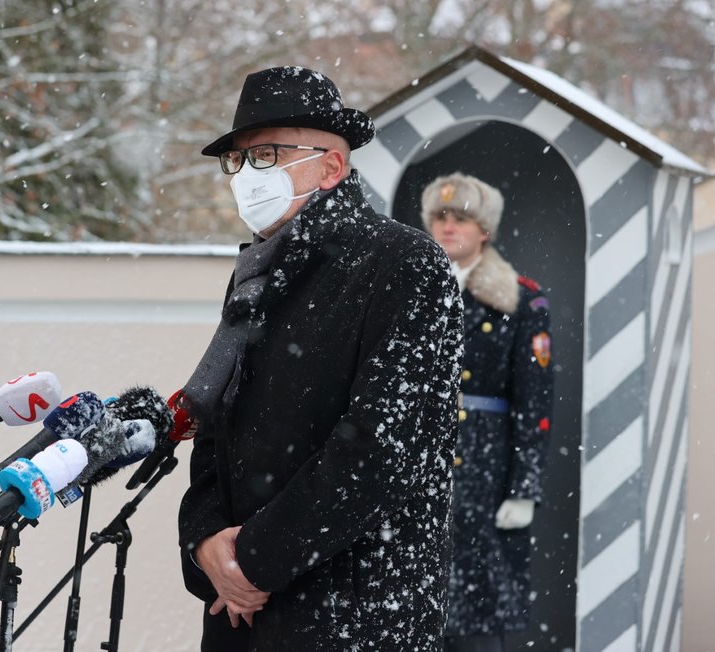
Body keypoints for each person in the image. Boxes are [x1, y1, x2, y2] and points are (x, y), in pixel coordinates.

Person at [176, 66, 464, 651]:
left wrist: (251, 562)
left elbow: (379, 447)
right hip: (240, 616)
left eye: (268, 155)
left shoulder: (405, 263)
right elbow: (215, 424)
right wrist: (206, 543)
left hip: (354, 611)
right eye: (237, 160)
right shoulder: (255, 274)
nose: (246, 175)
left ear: (332, 166)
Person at [420, 173, 554, 652]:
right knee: (413, 607)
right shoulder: (410, 290)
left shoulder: (520, 299)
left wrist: (524, 487)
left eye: (461, 218)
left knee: (477, 618)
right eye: (441, 216)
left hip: (485, 468)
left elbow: (535, 401)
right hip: (419, 462)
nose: (448, 227)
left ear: (485, 231)